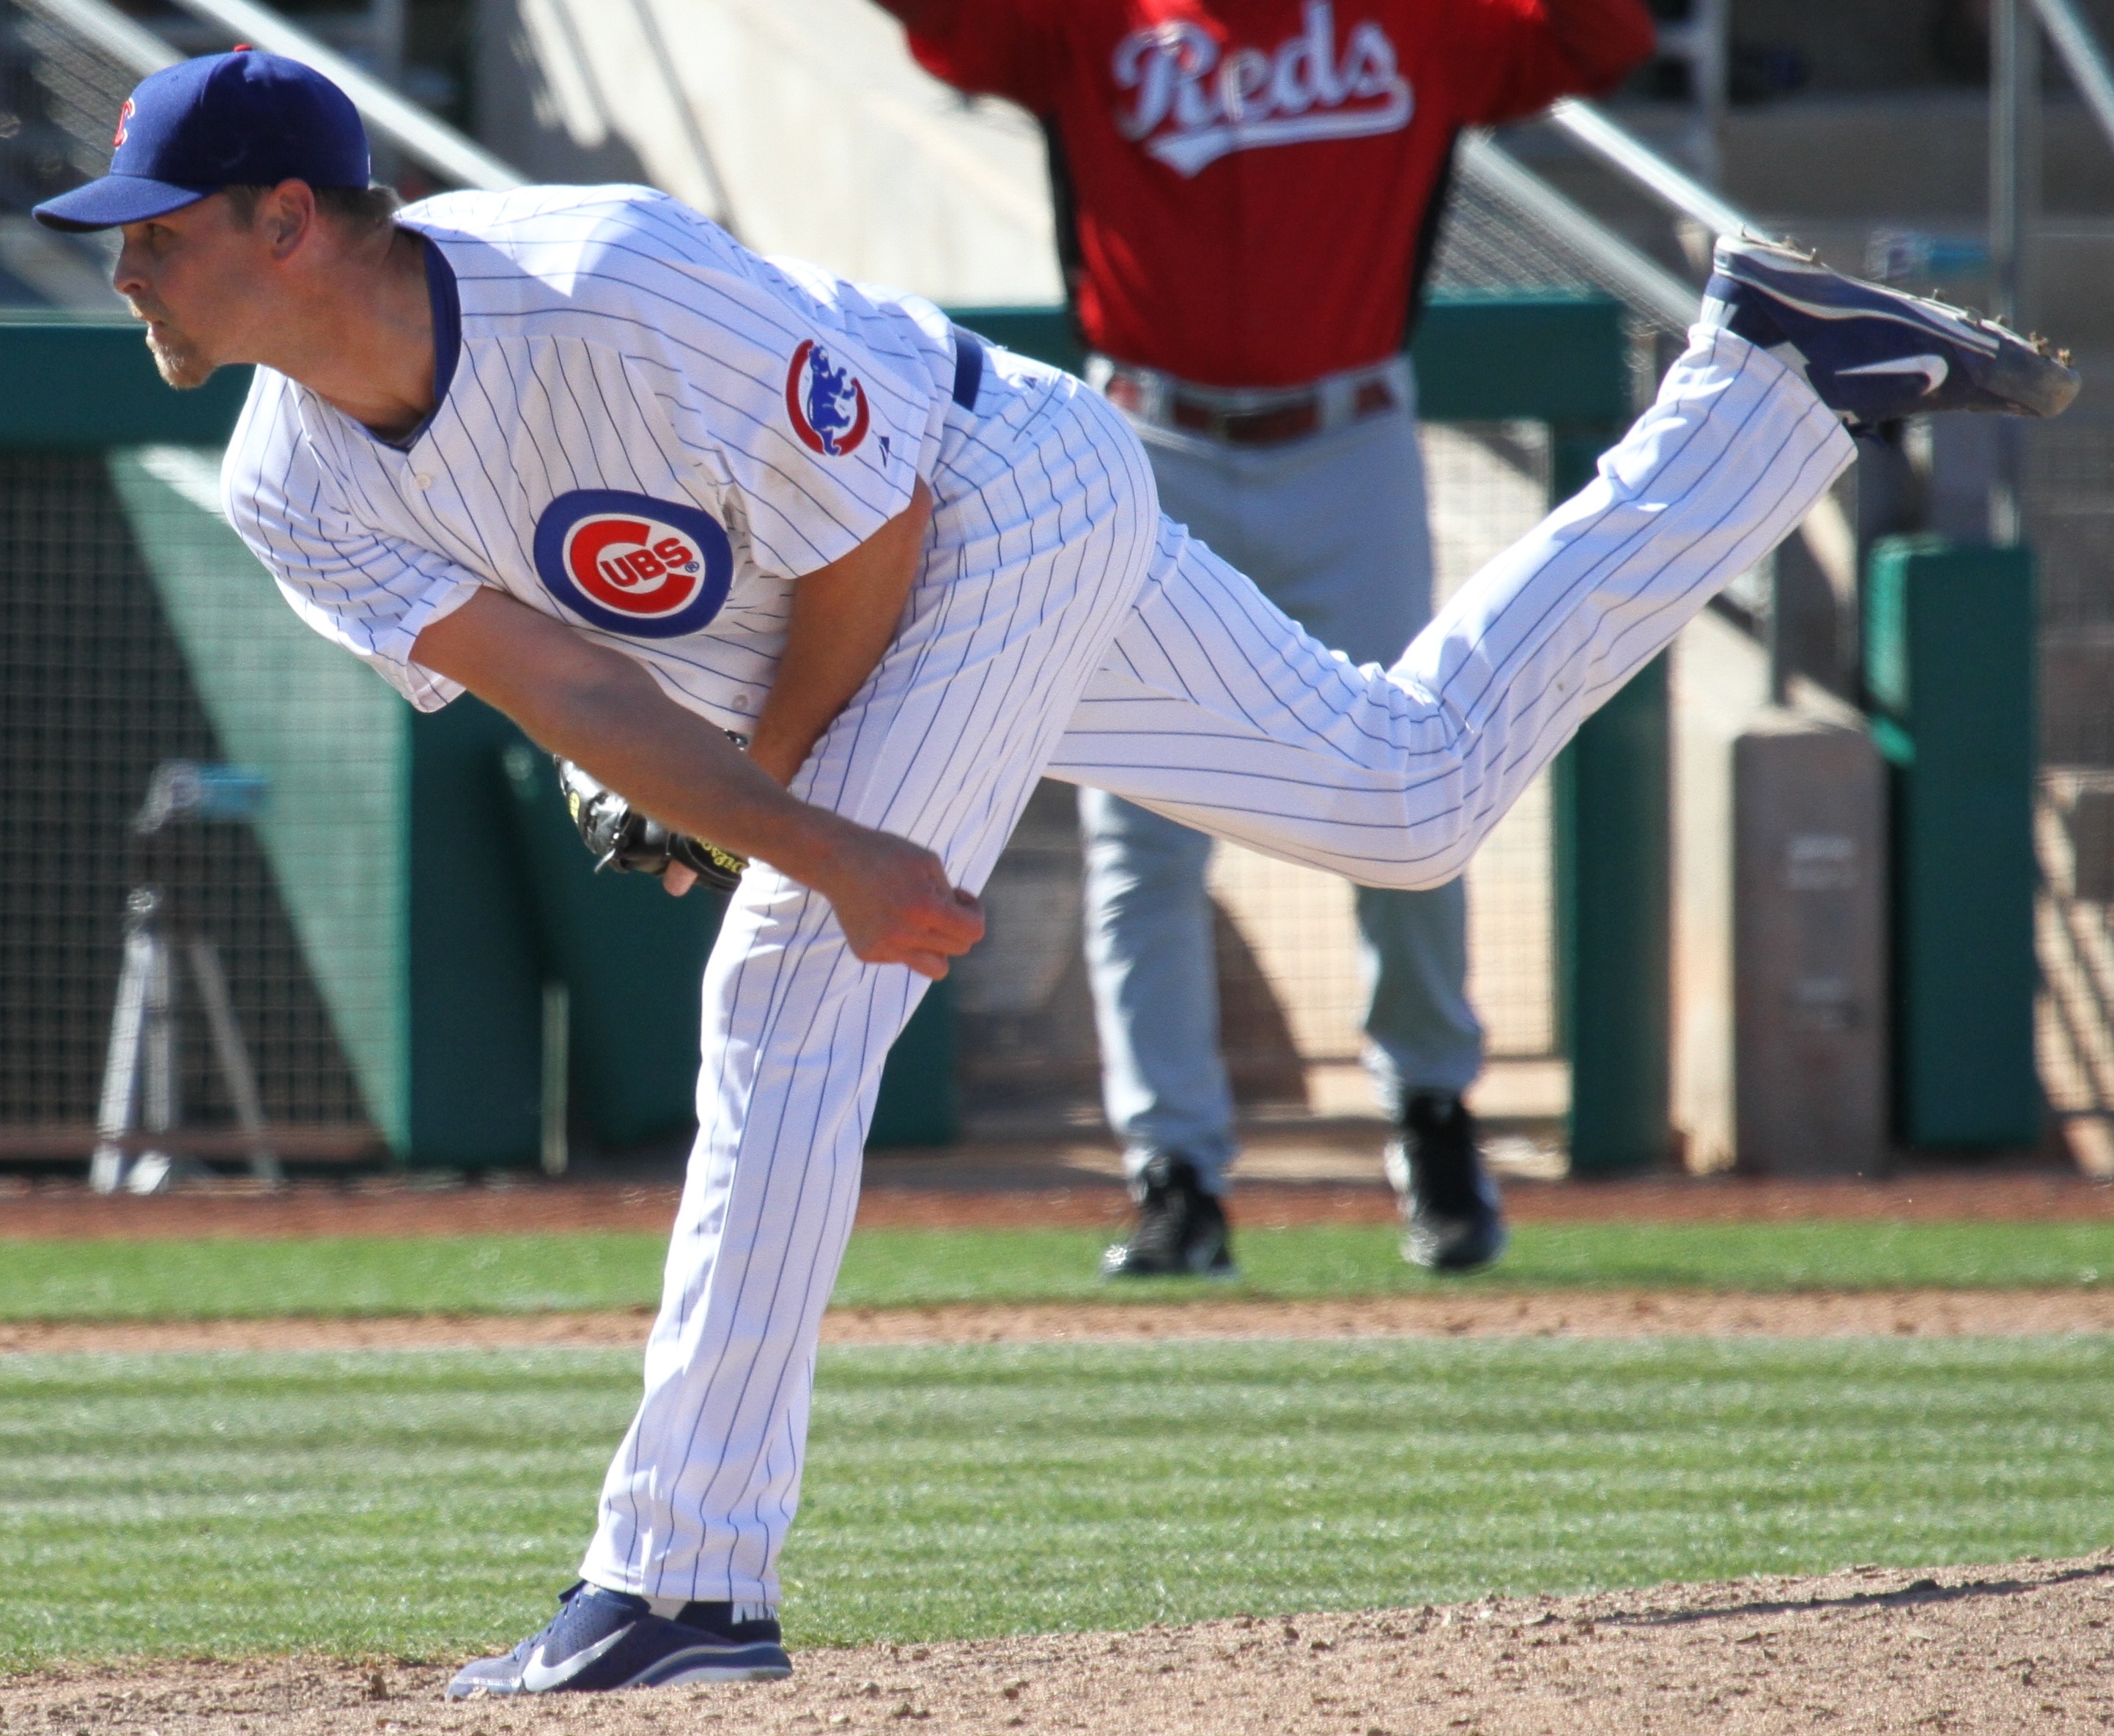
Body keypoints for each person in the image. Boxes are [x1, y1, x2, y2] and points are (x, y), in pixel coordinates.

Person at [37, 47, 2073, 1699]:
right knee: (1406, 791)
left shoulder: (611, 278)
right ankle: (1770, 383)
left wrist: (816, 837)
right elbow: (565, 682)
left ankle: (678, 1582)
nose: (117, 266)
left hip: (994, 495)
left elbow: (868, 553)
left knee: (781, 987)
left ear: (282, 220)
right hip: (875, 609)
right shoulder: (288, 477)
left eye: (148, 233)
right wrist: (753, 796)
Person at [881, 0, 1659, 1278]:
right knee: (1138, 830)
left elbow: (1599, 38)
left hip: (1347, 441)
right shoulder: (1096, 24)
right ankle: (1174, 1171)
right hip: (1146, 445)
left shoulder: (1411, 25)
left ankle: (1430, 1113)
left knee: (1412, 783)